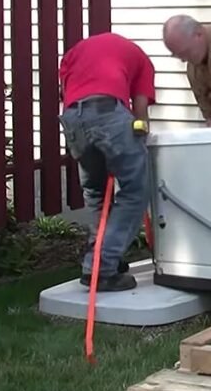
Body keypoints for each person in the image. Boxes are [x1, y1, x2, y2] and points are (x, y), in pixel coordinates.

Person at [58, 32, 155, 292]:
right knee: (136, 189)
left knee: (97, 192)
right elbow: (141, 114)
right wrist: (136, 138)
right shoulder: (142, 60)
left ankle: (103, 255)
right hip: (109, 112)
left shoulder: (75, 51)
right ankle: (101, 268)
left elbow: (66, 91)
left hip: (72, 118)